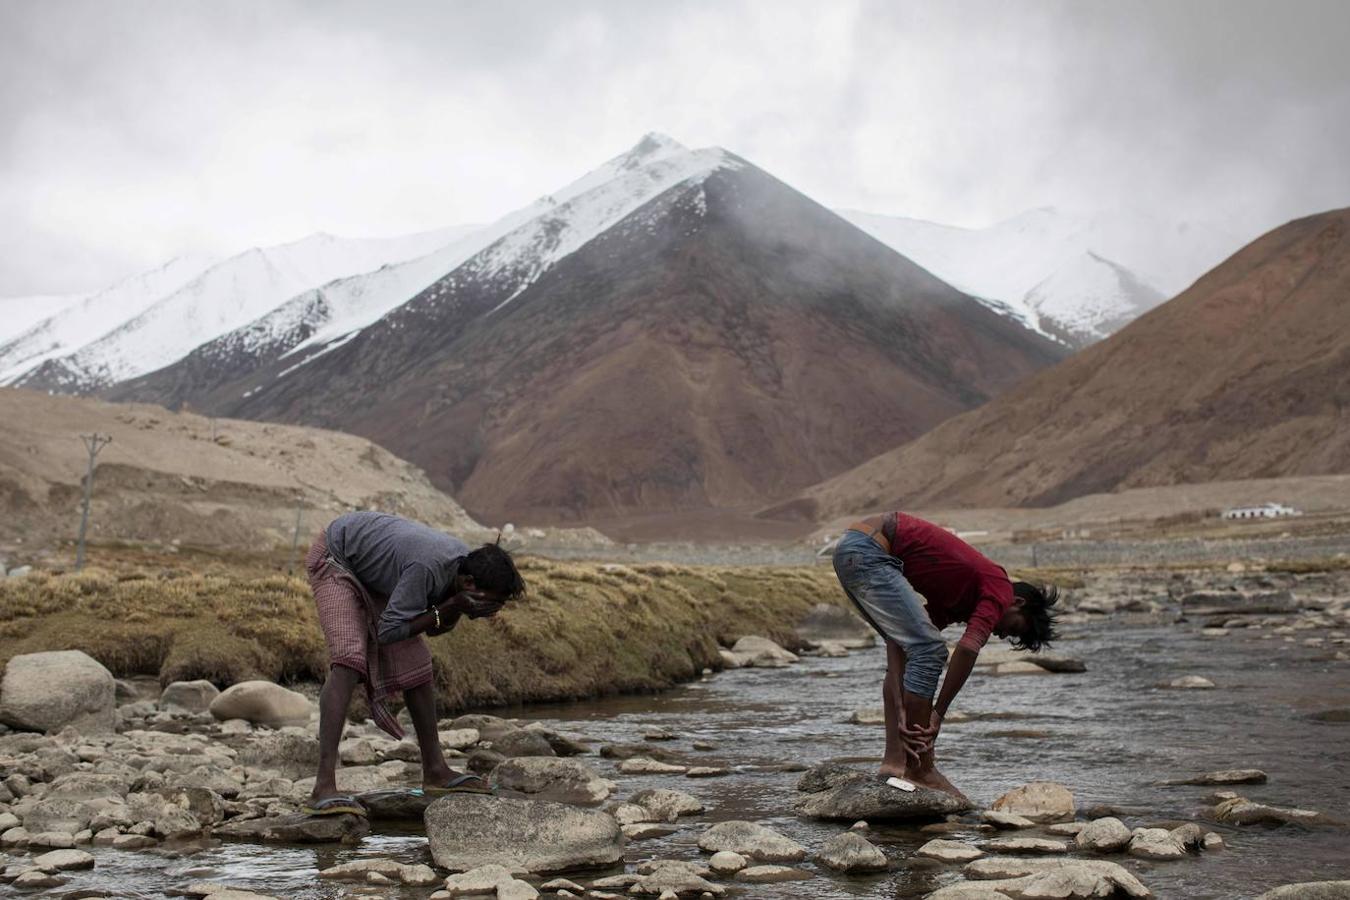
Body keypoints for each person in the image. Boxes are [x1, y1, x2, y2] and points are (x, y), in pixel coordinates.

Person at [302, 510, 526, 816]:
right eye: (491, 602)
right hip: (337, 557)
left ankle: (435, 770)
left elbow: (432, 627)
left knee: (417, 661)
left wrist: (455, 608)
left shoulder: (461, 571)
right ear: (470, 583)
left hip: (370, 565)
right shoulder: (428, 567)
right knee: (349, 660)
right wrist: (450, 606)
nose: (493, 611)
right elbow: (389, 631)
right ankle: (322, 787)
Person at [832, 511, 1058, 800]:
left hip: (854, 550)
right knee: (930, 650)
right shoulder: (1000, 586)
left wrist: (902, 705)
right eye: (1012, 627)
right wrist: (938, 713)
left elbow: (898, 642)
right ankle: (921, 770)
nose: (1002, 635)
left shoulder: (957, 600)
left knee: (917, 649)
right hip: (870, 550)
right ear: (1017, 602)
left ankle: (893, 763)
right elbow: (967, 648)